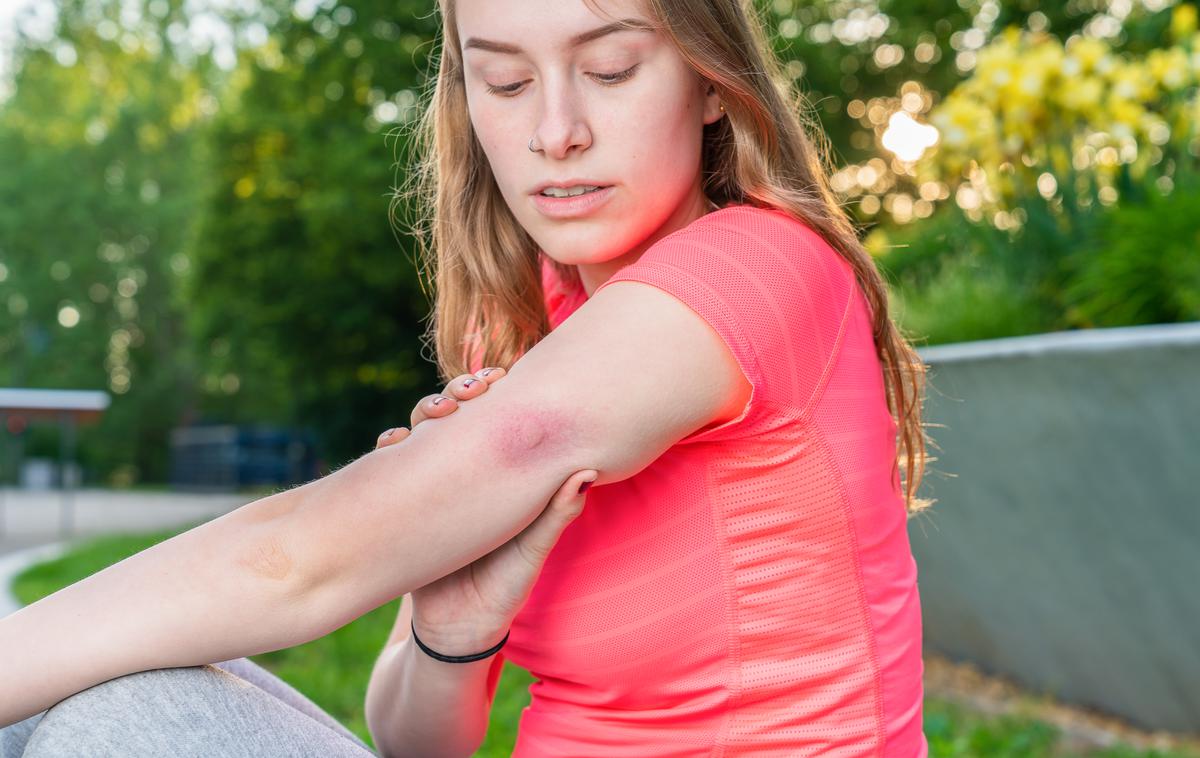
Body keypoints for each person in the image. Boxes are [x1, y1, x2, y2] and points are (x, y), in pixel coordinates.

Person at [0, 0, 935, 755]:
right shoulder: (527, 329)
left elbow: (297, 560)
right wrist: (457, 622)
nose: (556, 130)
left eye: (610, 70)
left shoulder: (758, 268)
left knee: (117, 722)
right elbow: (412, 741)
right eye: (506, 80)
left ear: (710, 83)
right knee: (110, 681)